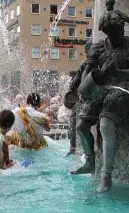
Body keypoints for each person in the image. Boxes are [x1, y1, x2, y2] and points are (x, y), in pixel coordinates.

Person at [71, 3, 129, 192]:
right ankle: (90, 161)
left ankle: (106, 175)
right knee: (81, 125)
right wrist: (84, 85)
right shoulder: (98, 48)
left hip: (122, 88)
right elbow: (88, 70)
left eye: (119, 31)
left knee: (105, 123)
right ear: (106, 32)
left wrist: (118, 71)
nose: (118, 36)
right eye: (113, 33)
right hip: (102, 88)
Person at [65, 40, 93, 156]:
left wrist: (71, 91)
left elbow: (74, 84)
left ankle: (73, 149)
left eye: (86, 51)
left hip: (86, 102)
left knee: (74, 123)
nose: (86, 53)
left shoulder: (86, 64)